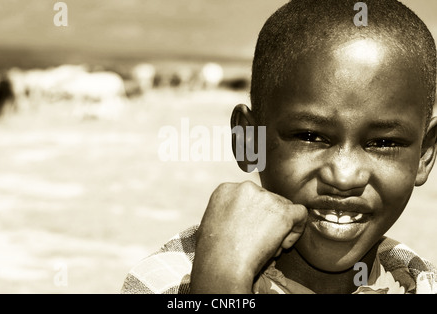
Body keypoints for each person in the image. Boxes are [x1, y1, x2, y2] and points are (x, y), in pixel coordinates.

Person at [121, 0, 437, 294]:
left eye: (383, 143)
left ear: (424, 153)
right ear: (249, 140)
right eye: (310, 136)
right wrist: (221, 280)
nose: (344, 176)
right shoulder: (170, 279)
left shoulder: (420, 281)